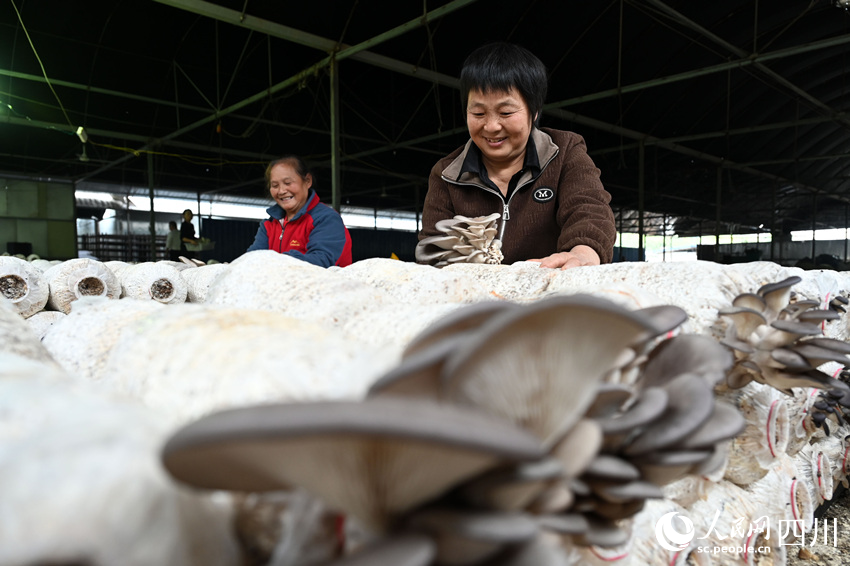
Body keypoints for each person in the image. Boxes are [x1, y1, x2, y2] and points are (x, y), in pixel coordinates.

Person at [418, 42, 616, 270]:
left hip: (550, 284)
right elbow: (433, 250)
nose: (491, 126)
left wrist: (582, 253)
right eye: (478, 113)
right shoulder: (446, 174)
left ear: (534, 111)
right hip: (474, 291)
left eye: (506, 112)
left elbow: (589, 209)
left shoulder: (565, 152)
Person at [247, 155, 352, 267]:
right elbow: (251, 259)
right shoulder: (269, 225)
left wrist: (276, 260)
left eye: (288, 183)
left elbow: (321, 260)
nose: (281, 191)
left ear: (307, 181)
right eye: (275, 185)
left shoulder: (326, 219)